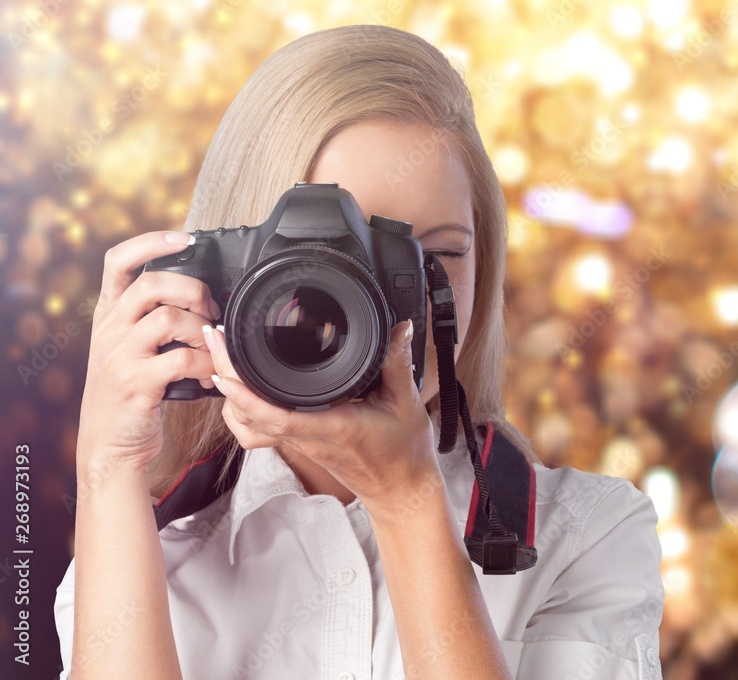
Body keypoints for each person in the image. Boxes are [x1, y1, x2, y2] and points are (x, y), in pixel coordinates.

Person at [54, 25, 663, 679]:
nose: (390, 302)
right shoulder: (145, 551)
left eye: (437, 258)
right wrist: (108, 472)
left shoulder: (588, 534)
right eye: (338, 260)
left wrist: (407, 501)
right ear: (229, 279)